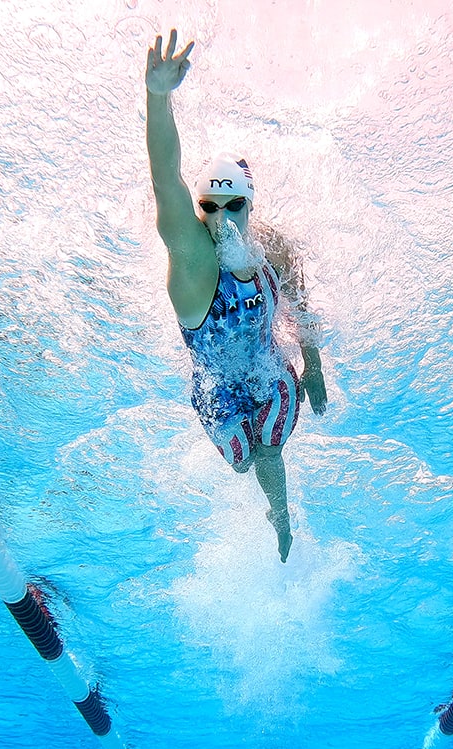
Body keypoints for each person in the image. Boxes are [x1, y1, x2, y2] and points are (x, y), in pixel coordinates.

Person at [144, 29, 327, 563]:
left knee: (271, 440)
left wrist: (312, 366)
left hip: (271, 370)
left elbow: (298, 304)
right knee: (243, 459)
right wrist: (158, 97)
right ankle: (271, 504)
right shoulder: (193, 262)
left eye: (234, 208)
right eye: (209, 207)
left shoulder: (272, 245)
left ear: (251, 207)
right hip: (216, 387)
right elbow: (165, 179)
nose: (222, 220)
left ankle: (282, 515)